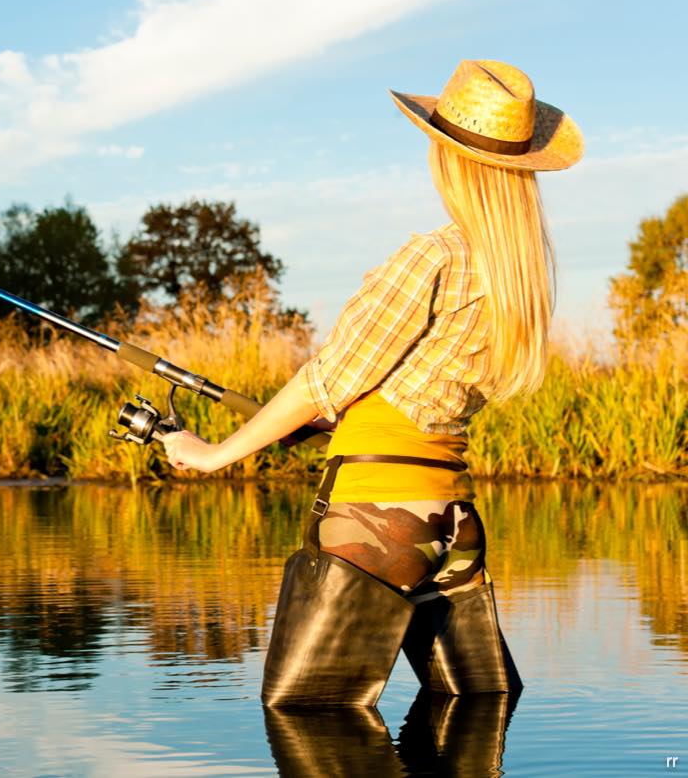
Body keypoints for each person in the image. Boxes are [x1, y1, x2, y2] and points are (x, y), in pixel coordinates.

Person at [161, 59, 582, 704]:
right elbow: (412, 392)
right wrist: (345, 423)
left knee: (304, 720)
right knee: (476, 717)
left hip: (378, 517)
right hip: (454, 522)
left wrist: (212, 455)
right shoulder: (518, 276)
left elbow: (323, 382)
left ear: (450, 159)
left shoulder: (433, 256)